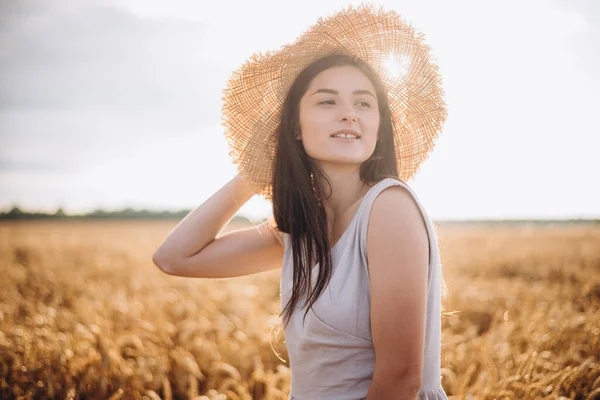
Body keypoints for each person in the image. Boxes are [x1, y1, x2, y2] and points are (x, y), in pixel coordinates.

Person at [153, 4, 449, 399]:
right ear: (294, 126)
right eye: (328, 102)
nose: (349, 114)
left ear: (379, 130)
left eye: (363, 103)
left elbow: (400, 379)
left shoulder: (389, 208)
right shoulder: (298, 229)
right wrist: (254, 172)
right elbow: (174, 258)